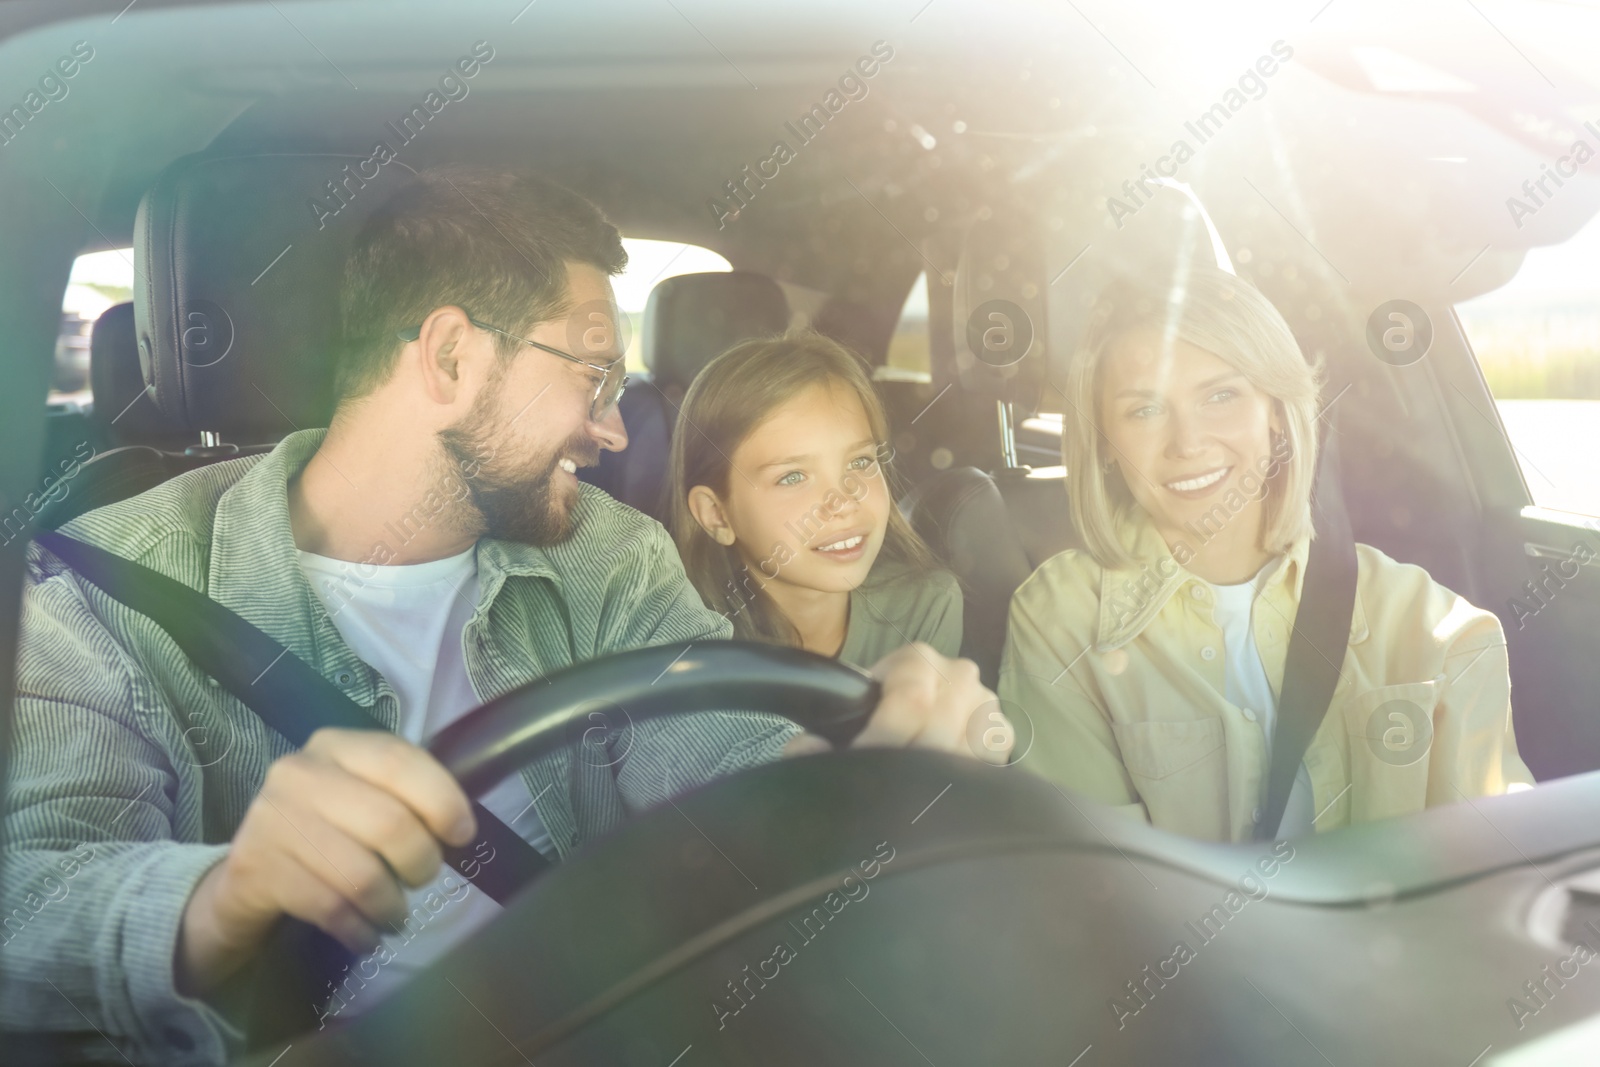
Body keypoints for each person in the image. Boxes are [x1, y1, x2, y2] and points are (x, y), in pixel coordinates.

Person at [2, 167, 1003, 1065]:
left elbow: (708, 746)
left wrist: (854, 773)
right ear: (449, 358)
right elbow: (25, 907)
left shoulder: (608, 554)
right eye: (592, 375)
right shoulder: (104, 590)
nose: (615, 428)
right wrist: (224, 893)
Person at [999, 266, 1532, 842]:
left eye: (1221, 395)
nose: (1188, 443)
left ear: (1278, 414)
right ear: (1104, 441)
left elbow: (1490, 867)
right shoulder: (1060, 619)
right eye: (1144, 411)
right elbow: (1098, 881)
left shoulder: (1435, 627)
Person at [668, 331, 962, 670]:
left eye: (860, 462)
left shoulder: (925, 608)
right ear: (717, 515)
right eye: (792, 477)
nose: (843, 502)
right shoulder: (688, 641)